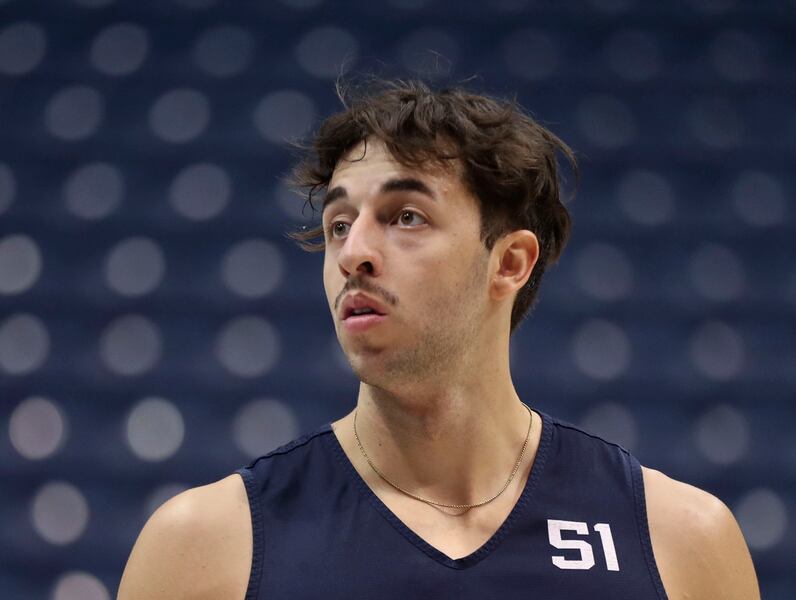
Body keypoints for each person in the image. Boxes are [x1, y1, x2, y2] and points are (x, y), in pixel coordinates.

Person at [116, 79, 760, 599]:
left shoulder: (682, 539)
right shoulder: (205, 547)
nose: (354, 253)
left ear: (510, 263)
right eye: (339, 223)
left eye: (406, 216)